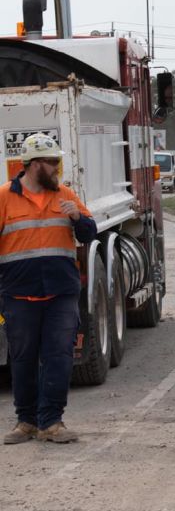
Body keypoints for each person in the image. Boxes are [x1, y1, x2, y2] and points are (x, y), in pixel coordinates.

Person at [0, 133, 96, 444]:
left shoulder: (65, 195)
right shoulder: (4, 198)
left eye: (58, 162)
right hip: (18, 294)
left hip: (61, 291)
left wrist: (77, 216)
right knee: (23, 357)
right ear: (32, 165)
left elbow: (89, 233)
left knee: (59, 356)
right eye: (52, 163)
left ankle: (52, 422)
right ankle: (26, 421)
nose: (57, 168)